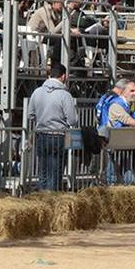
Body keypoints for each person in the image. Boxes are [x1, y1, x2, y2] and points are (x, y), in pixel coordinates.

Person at [26, 64, 79, 192]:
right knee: (55, 172)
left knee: (42, 171)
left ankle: (42, 199)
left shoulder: (37, 92)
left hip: (41, 134)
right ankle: (52, 200)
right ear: (64, 76)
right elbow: (72, 120)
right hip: (58, 135)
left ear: (49, 75)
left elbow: (30, 114)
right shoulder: (64, 95)